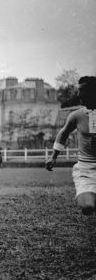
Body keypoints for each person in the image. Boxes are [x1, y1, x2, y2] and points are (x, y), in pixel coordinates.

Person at [46, 76, 96, 214]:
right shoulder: (77, 115)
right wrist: (53, 156)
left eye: (83, 90)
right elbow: (63, 133)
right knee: (87, 207)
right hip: (86, 169)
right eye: (78, 91)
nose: (79, 94)